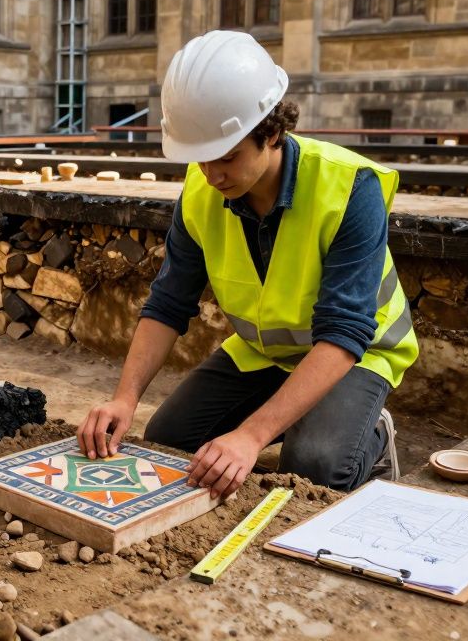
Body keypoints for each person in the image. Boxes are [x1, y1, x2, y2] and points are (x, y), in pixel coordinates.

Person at [76, 31, 419, 498]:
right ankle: (291, 420)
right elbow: (168, 305)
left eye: (227, 158)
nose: (212, 176)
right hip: (267, 354)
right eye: (199, 161)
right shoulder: (202, 195)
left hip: (356, 354)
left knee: (313, 466)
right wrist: (125, 398)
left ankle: (369, 436)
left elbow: (344, 332)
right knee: (168, 442)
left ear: (272, 132)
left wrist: (251, 436)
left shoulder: (350, 188)